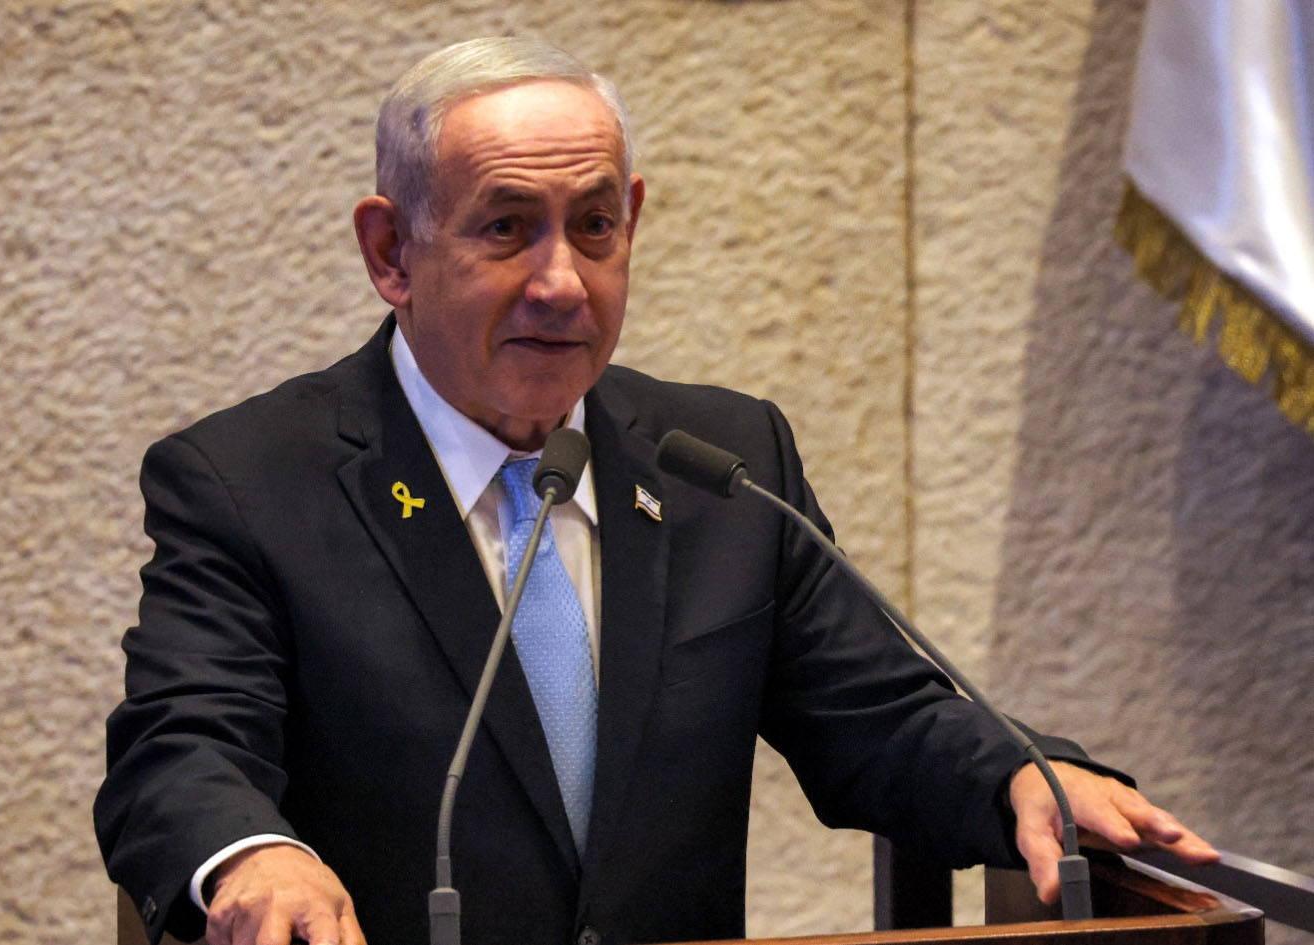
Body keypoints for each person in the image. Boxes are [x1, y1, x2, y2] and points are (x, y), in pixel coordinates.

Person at [94, 36, 1217, 945]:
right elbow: (181, 749)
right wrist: (254, 852)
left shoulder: (721, 461)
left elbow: (875, 716)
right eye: (505, 229)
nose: (560, 282)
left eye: (594, 226)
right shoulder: (249, 483)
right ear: (392, 252)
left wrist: (1026, 773)